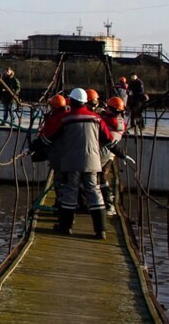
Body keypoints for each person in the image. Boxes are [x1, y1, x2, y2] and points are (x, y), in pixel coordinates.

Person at [32, 87, 131, 239]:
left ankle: (65, 226)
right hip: (92, 161)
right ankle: (100, 230)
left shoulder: (64, 118)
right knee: (94, 191)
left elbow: (47, 138)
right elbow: (109, 142)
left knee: (70, 191)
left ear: (71, 100)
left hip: (71, 161)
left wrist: (31, 148)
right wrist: (122, 155)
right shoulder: (97, 118)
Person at [98, 96, 128, 216]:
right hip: (111, 153)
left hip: (103, 151)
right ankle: (109, 204)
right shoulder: (121, 121)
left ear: (111, 109)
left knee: (98, 177)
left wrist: (99, 112)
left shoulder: (107, 120)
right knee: (102, 177)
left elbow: (98, 121)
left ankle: (107, 204)